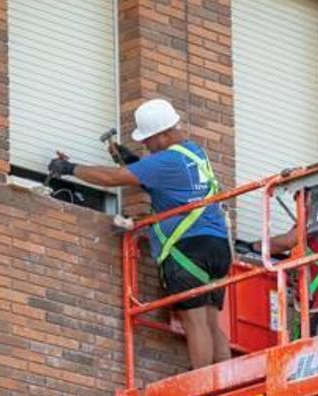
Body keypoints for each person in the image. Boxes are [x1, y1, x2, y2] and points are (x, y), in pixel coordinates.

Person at [47, 99, 232, 370]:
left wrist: (69, 169)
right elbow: (160, 181)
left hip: (187, 249)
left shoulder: (165, 160)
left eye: (148, 140)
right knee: (212, 322)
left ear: (165, 134)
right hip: (216, 247)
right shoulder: (194, 153)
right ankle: (225, 378)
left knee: (195, 323)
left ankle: (203, 385)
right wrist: (130, 159)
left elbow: (112, 179)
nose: (146, 146)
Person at [245, 196, 318, 339]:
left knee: (311, 346)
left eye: (299, 197)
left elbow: (288, 241)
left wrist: (253, 247)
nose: (297, 202)